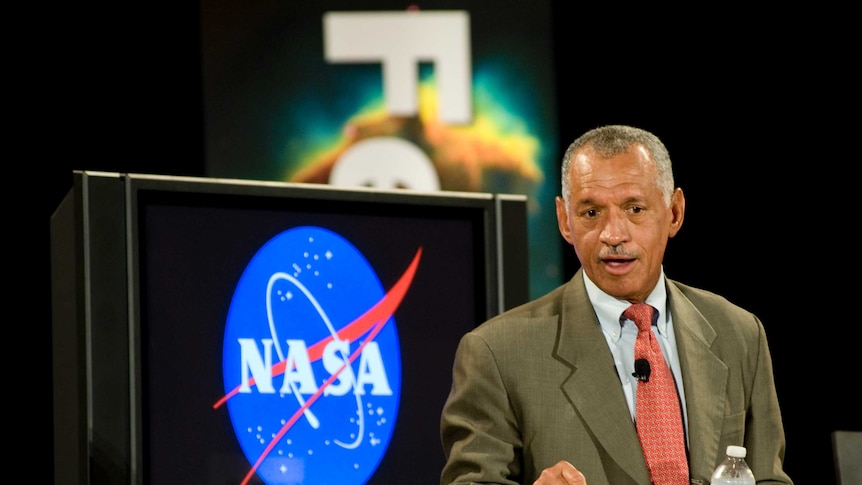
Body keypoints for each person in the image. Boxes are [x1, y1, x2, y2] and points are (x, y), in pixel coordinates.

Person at [439, 125, 792, 485]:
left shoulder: (739, 333)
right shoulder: (498, 353)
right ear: (564, 221)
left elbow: (769, 477)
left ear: (674, 212)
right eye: (591, 213)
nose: (613, 234)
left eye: (634, 208)